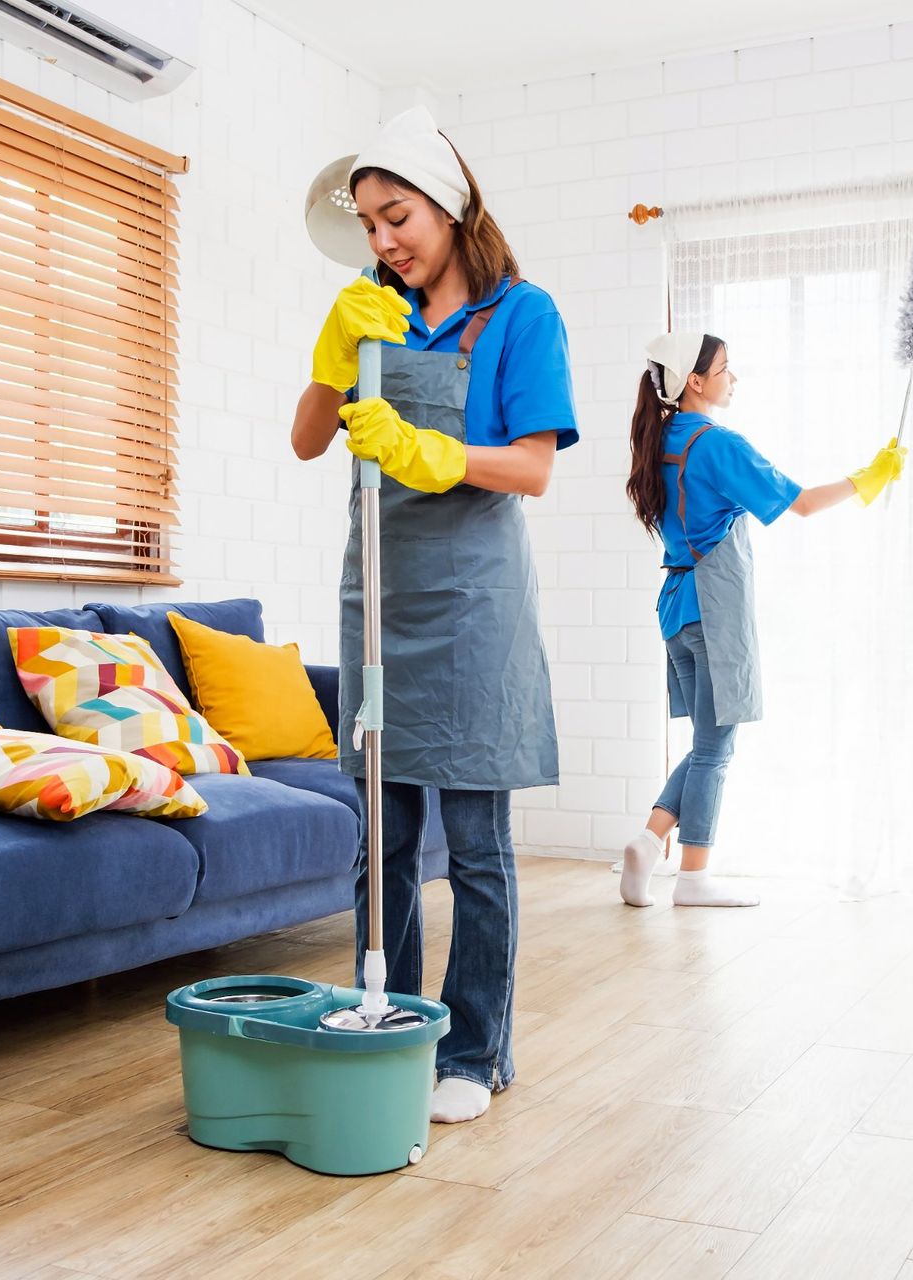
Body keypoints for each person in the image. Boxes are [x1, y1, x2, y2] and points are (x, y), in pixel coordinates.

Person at [292, 107, 576, 1125]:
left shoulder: (520, 313)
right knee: (384, 838)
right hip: (378, 591)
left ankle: (474, 1050)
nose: (381, 242)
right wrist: (333, 352)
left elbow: (534, 466)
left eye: (396, 216)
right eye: (368, 224)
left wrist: (437, 453)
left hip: (475, 602)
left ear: (448, 205)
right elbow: (305, 439)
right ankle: (390, 1016)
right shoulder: (372, 306)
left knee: (475, 841)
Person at [618, 332, 906, 908]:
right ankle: (694, 878)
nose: (734, 378)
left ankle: (650, 843)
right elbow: (797, 502)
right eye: (726, 369)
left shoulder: (662, 438)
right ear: (695, 381)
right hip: (714, 614)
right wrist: (866, 480)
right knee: (716, 748)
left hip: (676, 609)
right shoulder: (716, 444)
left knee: (706, 741)